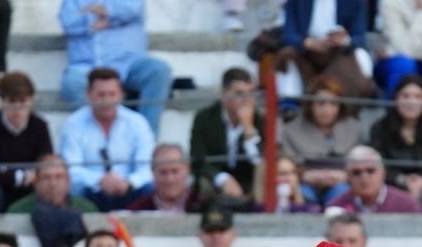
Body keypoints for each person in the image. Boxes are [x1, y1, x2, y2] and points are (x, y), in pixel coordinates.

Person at [57, 0, 172, 132]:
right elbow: (68, 22)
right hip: (88, 66)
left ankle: (146, 138)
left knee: (158, 71)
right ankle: (98, 136)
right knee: (72, 82)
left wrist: (106, 12)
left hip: (129, 63)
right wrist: (97, 20)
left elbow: (133, 9)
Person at [59, 66, 155, 210]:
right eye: (101, 94)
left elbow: (147, 167)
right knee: (71, 188)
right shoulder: (73, 124)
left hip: (130, 189)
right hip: (90, 191)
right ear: (88, 94)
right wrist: (99, 180)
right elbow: (71, 169)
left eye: (112, 94)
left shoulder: (137, 122)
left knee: (153, 186)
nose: (107, 100)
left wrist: (128, 182)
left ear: (121, 95)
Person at [0, 71, 52, 213]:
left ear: (31, 100)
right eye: (11, 102)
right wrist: (19, 176)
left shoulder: (40, 126)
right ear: (2, 101)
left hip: (30, 192)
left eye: (22, 102)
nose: (17, 109)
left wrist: (2, 172)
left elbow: (46, 164)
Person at [369, 73, 422, 211]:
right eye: (405, 96)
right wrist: (403, 180)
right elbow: (378, 164)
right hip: (391, 184)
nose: (411, 101)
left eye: (417, 97)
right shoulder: (379, 128)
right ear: (396, 99)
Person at [279, 74, 365, 203]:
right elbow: (286, 163)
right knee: (301, 194)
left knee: (342, 194)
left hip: (342, 182)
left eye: (333, 103)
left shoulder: (354, 128)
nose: (327, 110)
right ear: (310, 105)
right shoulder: (290, 130)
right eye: (321, 103)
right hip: (305, 182)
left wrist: (346, 175)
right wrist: (304, 175)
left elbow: (361, 162)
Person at [277, 0, 374, 103]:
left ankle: (351, 104)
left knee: (361, 55)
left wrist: (343, 41)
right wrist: (308, 42)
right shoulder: (297, 2)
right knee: (287, 54)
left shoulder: (355, 2)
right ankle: (290, 104)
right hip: (306, 50)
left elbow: (359, 37)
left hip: (339, 51)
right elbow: (288, 35)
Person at [189, 67, 262, 200]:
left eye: (251, 93)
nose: (247, 99)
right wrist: (222, 178)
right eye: (239, 93)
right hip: (215, 180)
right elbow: (198, 160)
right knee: (204, 184)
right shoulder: (204, 118)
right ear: (223, 94)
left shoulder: (260, 120)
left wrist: (249, 130)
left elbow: (261, 163)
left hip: (249, 182)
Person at [325, 145, 422, 213]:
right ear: (348, 176)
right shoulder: (336, 207)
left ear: (383, 173)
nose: (364, 177)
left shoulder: (407, 205)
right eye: (356, 172)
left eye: (370, 170)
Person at [7, 153, 97, 213]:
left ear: (68, 181)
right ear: (35, 182)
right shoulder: (18, 210)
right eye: (46, 177)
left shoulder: (87, 209)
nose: (53, 183)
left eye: (59, 176)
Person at [124, 143, 201, 212]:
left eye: (175, 171)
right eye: (163, 173)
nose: (169, 180)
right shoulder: (136, 212)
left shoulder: (204, 207)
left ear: (188, 169)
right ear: (152, 172)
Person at [176, 205, 248, 247]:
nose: (216, 237)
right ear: (200, 235)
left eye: (222, 231)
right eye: (209, 231)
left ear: (233, 235)